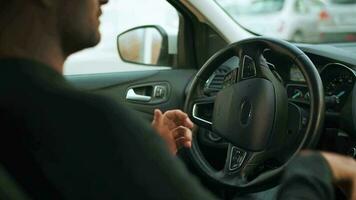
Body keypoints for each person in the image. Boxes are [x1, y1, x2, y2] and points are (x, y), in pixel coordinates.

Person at [0, 0, 355, 199]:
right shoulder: (88, 123)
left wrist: (151, 154)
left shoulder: (29, 114)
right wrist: (313, 170)